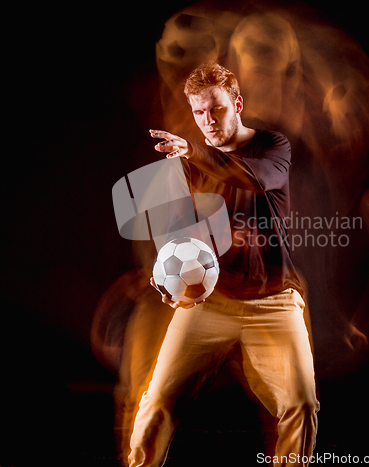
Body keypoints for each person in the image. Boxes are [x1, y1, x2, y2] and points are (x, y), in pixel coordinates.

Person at [128, 61, 319, 467]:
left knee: (300, 404)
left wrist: (192, 152)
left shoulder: (272, 146)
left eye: (216, 109)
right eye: (199, 113)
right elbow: (174, 233)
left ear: (237, 103)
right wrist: (165, 275)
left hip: (274, 300)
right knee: (157, 401)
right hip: (210, 303)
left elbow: (253, 178)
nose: (208, 121)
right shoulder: (186, 163)